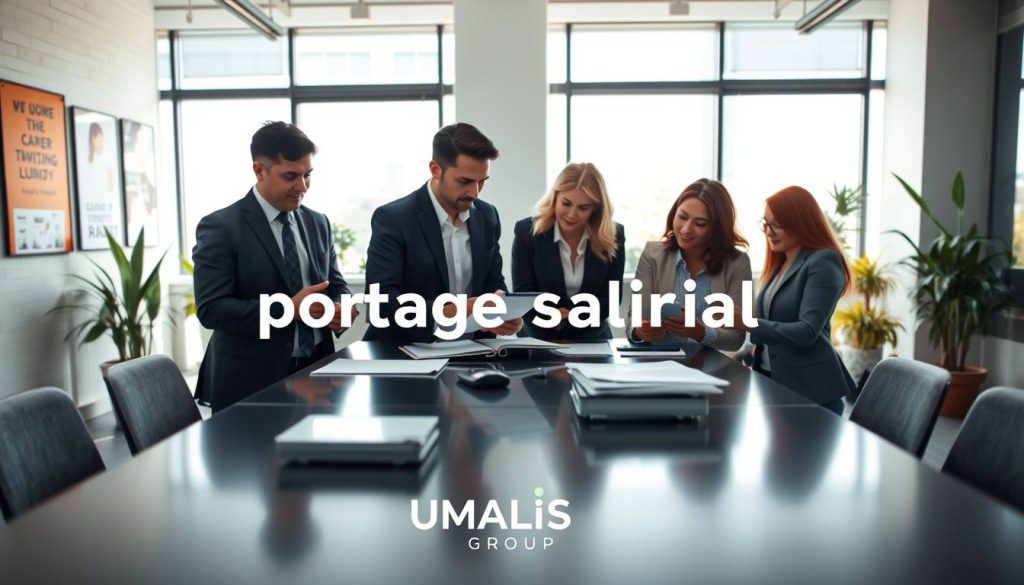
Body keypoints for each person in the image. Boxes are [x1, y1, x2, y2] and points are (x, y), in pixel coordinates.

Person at [192, 121, 352, 412]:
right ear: (258, 170)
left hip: (317, 371)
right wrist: (289, 309)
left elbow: (336, 285)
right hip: (251, 382)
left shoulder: (318, 223)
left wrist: (341, 307)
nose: (302, 187)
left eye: (308, 175)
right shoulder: (220, 227)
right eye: (290, 176)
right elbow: (212, 309)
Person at [363, 122, 522, 344]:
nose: (475, 193)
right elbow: (381, 305)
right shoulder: (393, 219)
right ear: (435, 169)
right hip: (405, 352)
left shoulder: (487, 216)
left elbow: (493, 282)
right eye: (464, 181)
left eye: (481, 182)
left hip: (472, 352)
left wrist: (504, 313)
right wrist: (455, 310)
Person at [735, 185, 855, 416]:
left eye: (777, 224)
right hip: (773, 382)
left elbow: (807, 332)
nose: (769, 231)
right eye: (766, 224)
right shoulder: (779, 264)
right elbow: (769, 324)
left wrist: (747, 322)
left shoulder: (823, 262)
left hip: (811, 391)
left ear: (800, 221)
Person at [628, 178, 751, 353]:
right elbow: (633, 320)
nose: (686, 229)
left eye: (700, 224)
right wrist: (640, 331)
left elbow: (736, 340)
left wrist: (700, 332)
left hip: (713, 367)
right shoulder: (652, 254)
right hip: (659, 363)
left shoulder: (737, 263)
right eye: (682, 217)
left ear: (716, 228)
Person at [511, 162, 625, 340]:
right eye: (566, 203)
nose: (572, 214)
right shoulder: (527, 232)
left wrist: (572, 316)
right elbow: (523, 294)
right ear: (555, 197)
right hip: (539, 338)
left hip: (593, 339)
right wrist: (552, 317)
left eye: (583, 208)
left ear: (595, 208)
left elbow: (610, 299)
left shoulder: (613, 235)